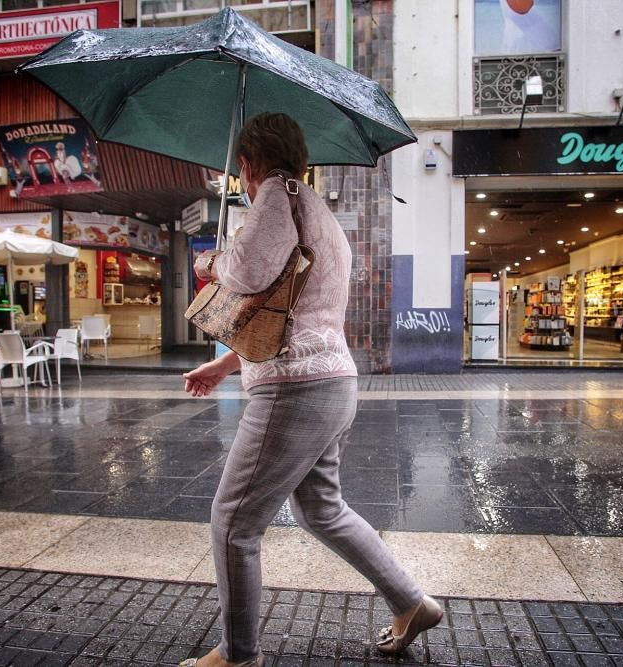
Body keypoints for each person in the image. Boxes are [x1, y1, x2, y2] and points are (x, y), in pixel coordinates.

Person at [182, 113, 441, 667]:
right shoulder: (314, 207)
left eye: (242, 169)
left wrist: (210, 259)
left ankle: (238, 655)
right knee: (322, 509)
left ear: (248, 165)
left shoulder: (276, 196)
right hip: (329, 382)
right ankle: (411, 602)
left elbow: (247, 277)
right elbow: (293, 310)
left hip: (295, 388)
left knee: (233, 523)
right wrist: (228, 365)